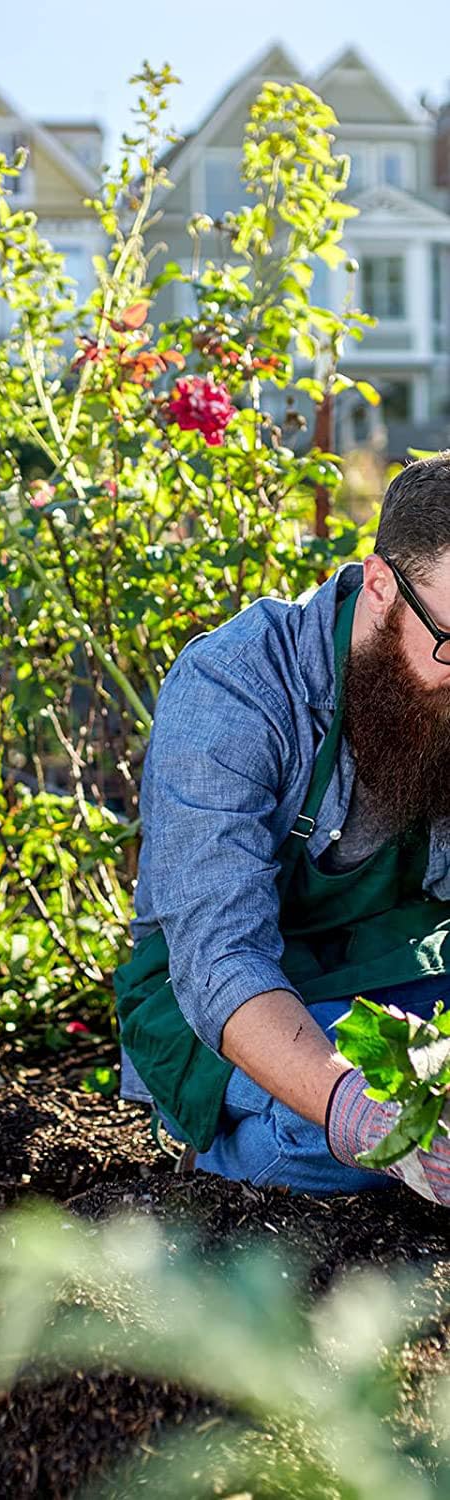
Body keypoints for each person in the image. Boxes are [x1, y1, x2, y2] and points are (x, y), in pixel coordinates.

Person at [115, 452, 450, 1201]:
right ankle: (237, 1168)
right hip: (230, 1006)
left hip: (402, 980)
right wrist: (357, 1114)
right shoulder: (235, 686)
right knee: (337, 1137)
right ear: (380, 587)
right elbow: (219, 958)